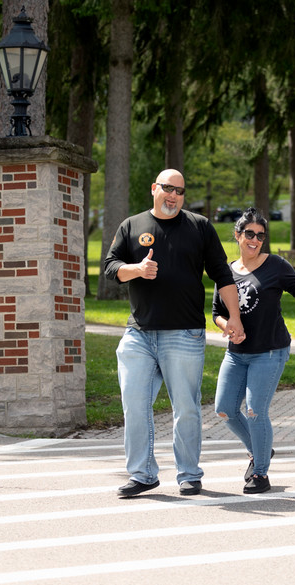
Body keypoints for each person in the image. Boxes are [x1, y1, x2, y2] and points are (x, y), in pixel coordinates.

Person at [104, 169, 244, 498]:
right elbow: (111, 266)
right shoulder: (131, 226)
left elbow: (222, 274)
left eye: (180, 191)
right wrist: (135, 270)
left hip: (184, 333)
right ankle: (142, 474)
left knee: (186, 408)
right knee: (134, 406)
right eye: (168, 188)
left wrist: (234, 316)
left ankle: (189, 474)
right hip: (139, 333)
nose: (174, 196)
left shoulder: (199, 227)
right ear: (154, 188)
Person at [212, 208, 295, 494]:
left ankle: (260, 473)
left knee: (254, 411)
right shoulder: (226, 271)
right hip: (236, 352)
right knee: (225, 409)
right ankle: (261, 449)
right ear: (237, 235)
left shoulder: (275, 265)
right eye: (249, 234)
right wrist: (227, 325)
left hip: (270, 350)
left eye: (260, 235)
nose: (255, 240)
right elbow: (216, 311)